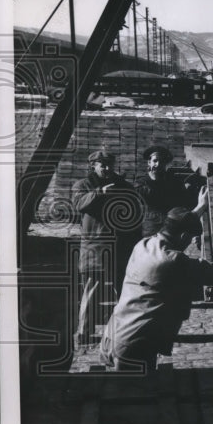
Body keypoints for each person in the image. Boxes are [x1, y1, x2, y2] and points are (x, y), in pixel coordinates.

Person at [100, 203, 213, 374]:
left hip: (115, 335)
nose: (189, 243)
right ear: (183, 236)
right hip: (134, 346)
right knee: (134, 395)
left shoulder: (143, 245)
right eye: (189, 239)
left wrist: (200, 206)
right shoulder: (172, 260)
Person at [72, 149, 140, 348]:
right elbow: (78, 204)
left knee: (125, 291)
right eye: (103, 165)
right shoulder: (83, 185)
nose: (108, 168)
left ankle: (125, 331)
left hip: (121, 246)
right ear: (93, 165)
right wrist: (99, 193)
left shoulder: (123, 186)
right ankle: (84, 333)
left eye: (110, 164)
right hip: (96, 246)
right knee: (92, 290)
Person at [134, 144, 200, 238]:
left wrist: (187, 188)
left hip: (171, 229)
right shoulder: (140, 183)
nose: (158, 164)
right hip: (151, 230)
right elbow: (153, 196)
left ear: (165, 164)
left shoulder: (173, 182)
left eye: (162, 161)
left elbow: (183, 202)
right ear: (149, 162)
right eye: (155, 161)